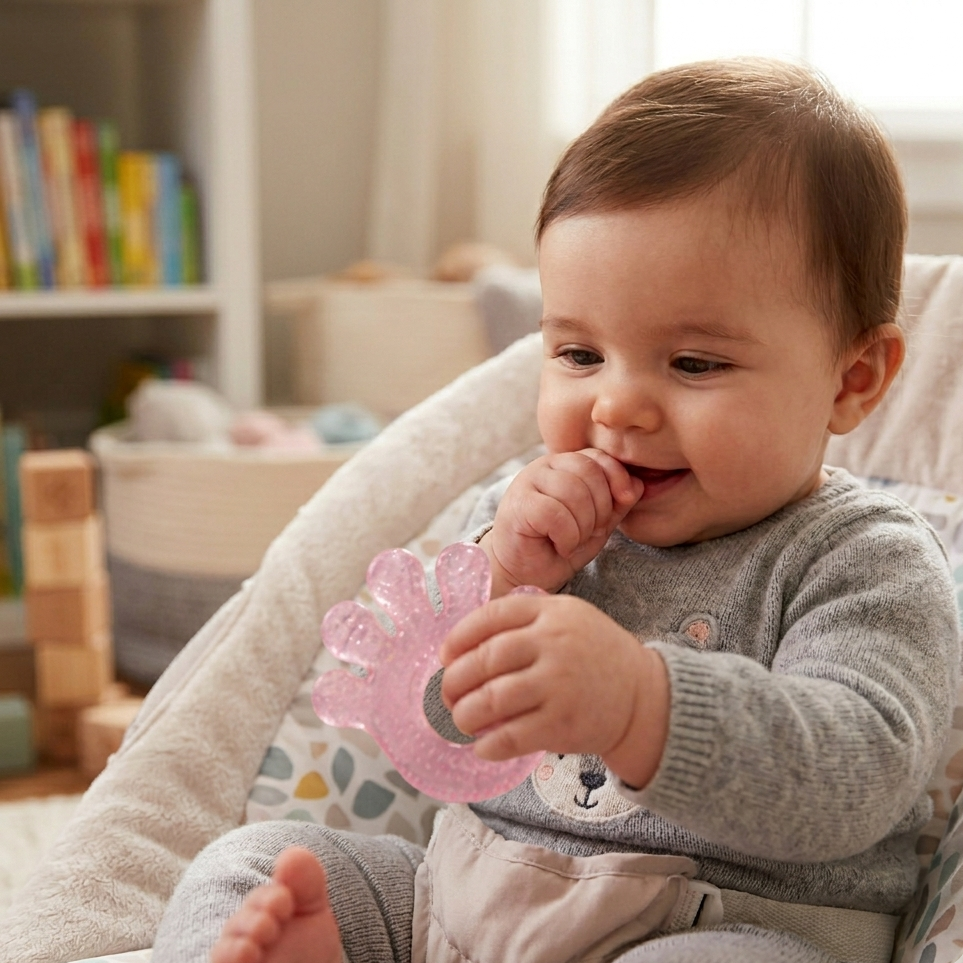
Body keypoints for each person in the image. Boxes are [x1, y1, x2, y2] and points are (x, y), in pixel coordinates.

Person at [153, 58, 960, 963]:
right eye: (578, 354)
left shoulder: (866, 560)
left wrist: (639, 704)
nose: (616, 406)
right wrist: (502, 575)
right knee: (252, 866)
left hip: (723, 927)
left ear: (852, 380)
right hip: (459, 905)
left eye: (693, 364)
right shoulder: (526, 519)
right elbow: (428, 733)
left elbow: (857, 774)